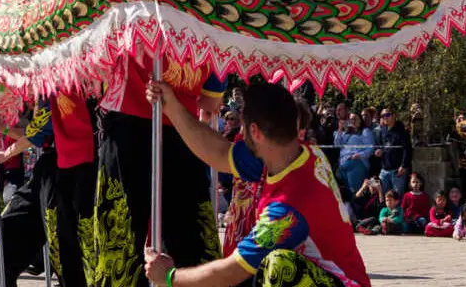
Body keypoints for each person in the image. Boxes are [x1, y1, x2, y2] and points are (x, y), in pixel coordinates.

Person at [94, 0, 224, 287]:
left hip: (185, 134)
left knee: (197, 249)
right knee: (121, 253)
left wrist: (212, 91)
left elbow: (211, 97)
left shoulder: (205, 2)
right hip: (130, 121)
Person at [143, 79, 371, 287]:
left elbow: (230, 271)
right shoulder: (302, 154)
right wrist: (171, 106)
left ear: (255, 132)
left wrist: (169, 277)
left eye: (243, 126)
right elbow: (219, 152)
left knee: (277, 266)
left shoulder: (286, 209)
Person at [0, 91, 96, 287]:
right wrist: (3, 129)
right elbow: (37, 132)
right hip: (48, 167)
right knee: (7, 231)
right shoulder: (46, 89)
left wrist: (6, 154)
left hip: (74, 170)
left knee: (64, 250)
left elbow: (40, 130)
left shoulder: (65, 82)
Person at [376, 108, 411, 196]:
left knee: (397, 196)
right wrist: (380, 151)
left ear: (394, 116)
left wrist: (404, 165)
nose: (385, 117)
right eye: (382, 116)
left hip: (397, 170)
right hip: (384, 169)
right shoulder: (382, 131)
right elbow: (383, 146)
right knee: (381, 195)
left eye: (387, 115)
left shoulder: (402, 130)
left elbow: (407, 149)